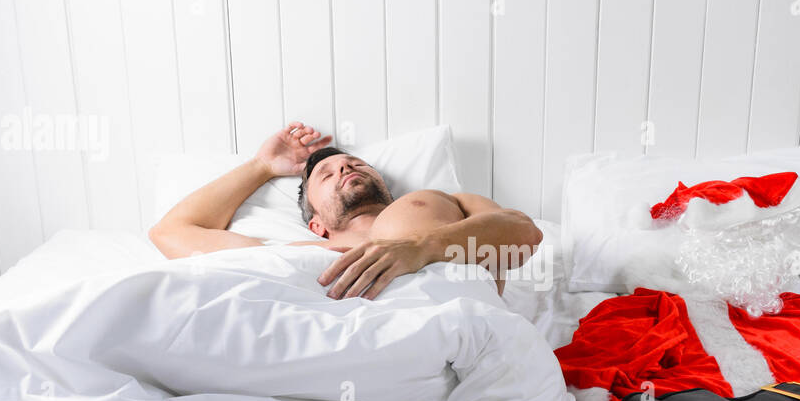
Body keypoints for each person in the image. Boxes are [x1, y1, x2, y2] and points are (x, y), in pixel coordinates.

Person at [149, 122, 542, 299]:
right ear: (316, 224)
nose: (344, 167)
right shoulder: (287, 249)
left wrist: (421, 247)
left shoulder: (445, 204)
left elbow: (523, 234)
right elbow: (170, 232)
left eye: (355, 163)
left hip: (451, 329)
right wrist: (261, 167)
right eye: (325, 174)